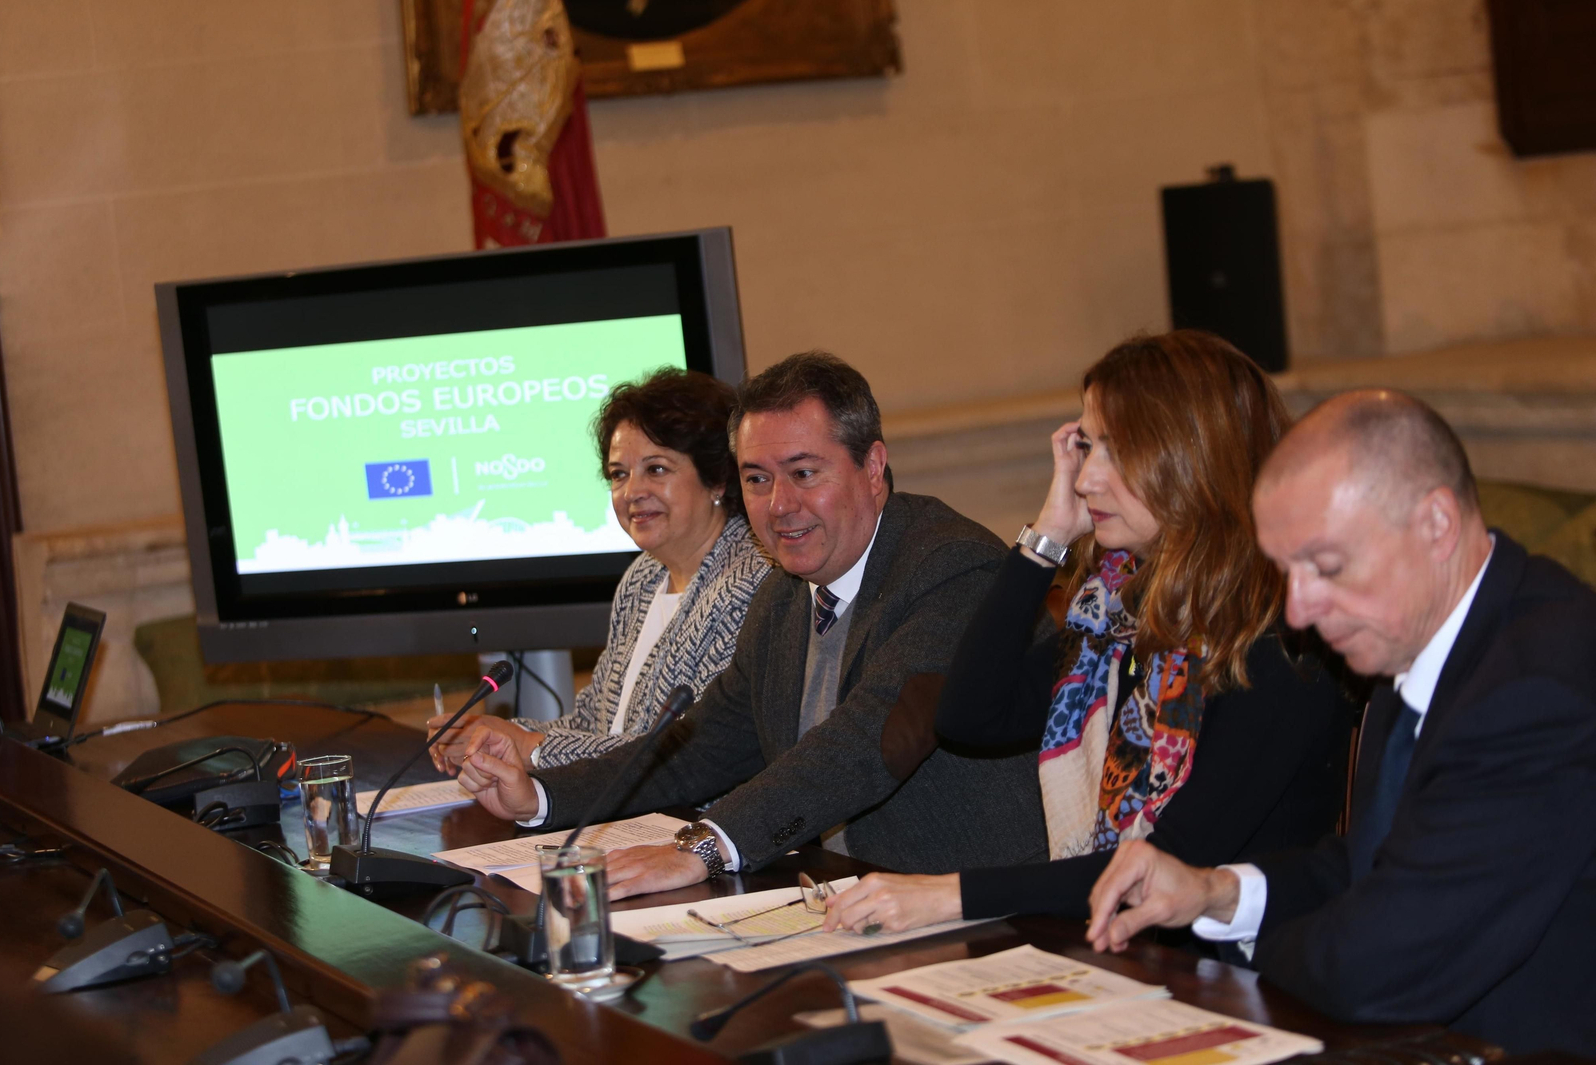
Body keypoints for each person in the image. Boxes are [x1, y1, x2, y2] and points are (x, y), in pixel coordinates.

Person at [1084, 390, 1596, 1054]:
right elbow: (1383, 860)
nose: (1298, 612)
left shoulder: (1536, 688)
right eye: (1286, 571)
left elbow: (1381, 966)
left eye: (1326, 567)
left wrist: (1224, 967)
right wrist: (1216, 893)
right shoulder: (1419, 634)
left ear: (1436, 525)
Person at [456, 351, 1049, 898]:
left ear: (872, 466)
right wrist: (540, 795)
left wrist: (706, 846)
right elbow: (702, 745)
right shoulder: (786, 592)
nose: (778, 506)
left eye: (804, 473)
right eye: (757, 478)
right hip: (844, 894)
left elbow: (864, 742)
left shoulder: (950, 568)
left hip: (980, 906)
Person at [822, 331, 1353, 937]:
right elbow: (970, 716)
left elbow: (1162, 869)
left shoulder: (1277, 634)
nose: (1085, 480)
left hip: (1244, 972)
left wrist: (954, 894)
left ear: (1193, 460)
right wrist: (1047, 535)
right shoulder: (1116, 618)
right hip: (1128, 951)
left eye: (1115, 452)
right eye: (1086, 447)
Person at [428, 367, 771, 771]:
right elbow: (594, 723)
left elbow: (681, 753)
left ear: (716, 478)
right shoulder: (642, 578)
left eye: (656, 469)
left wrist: (531, 747)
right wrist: (495, 735)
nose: (632, 493)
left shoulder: (751, 583)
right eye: (618, 474)